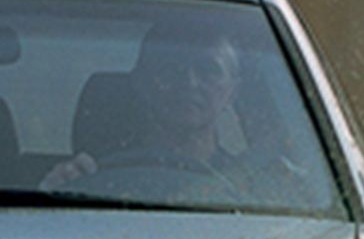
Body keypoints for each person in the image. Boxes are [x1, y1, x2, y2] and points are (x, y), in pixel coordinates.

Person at [42, 22, 244, 190]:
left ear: (232, 93)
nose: (189, 82)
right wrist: (51, 195)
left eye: (208, 70)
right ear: (141, 82)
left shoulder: (252, 186)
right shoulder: (88, 178)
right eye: (171, 68)